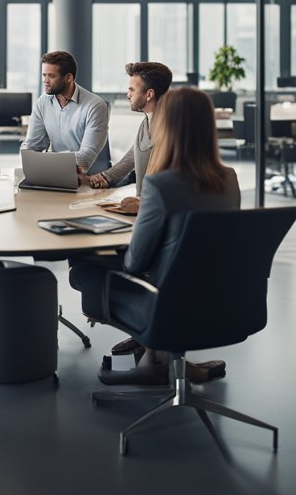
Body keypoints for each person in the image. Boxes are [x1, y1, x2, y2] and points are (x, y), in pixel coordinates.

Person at [68, 86, 240, 385]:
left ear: (167, 126)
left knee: (83, 269)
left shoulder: (161, 185)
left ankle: (155, 359)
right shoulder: (229, 179)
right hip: (221, 295)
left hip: (167, 299)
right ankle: (163, 358)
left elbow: (135, 263)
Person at [88, 61, 173, 213]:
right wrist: (106, 176)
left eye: (132, 90)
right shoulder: (146, 122)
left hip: (158, 212)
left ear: (149, 95)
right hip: (144, 208)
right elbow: (134, 155)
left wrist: (144, 203)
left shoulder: (169, 129)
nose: (128, 95)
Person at [22, 50, 109, 176]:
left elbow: (84, 159)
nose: (45, 81)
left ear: (68, 78)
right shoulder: (43, 103)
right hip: (56, 174)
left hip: (91, 179)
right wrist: (28, 158)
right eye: (44, 75)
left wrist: (45, 161)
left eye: (51, 76)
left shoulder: (95, 106)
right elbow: (31, 146)